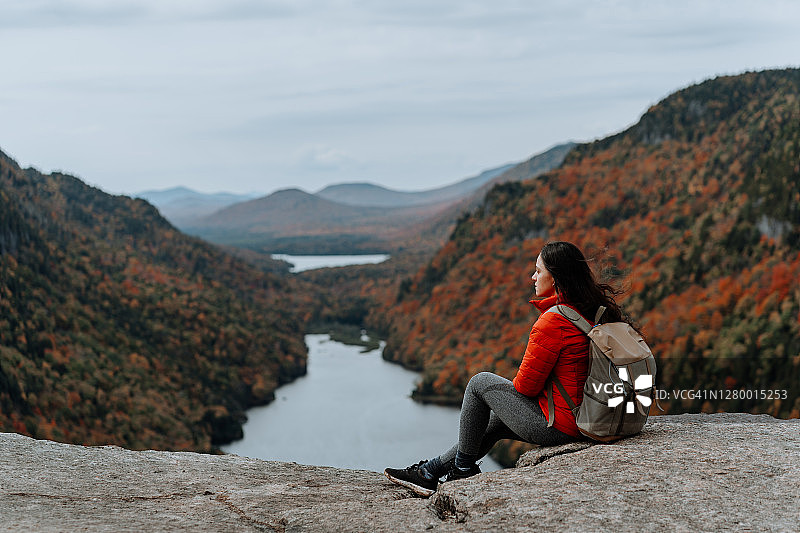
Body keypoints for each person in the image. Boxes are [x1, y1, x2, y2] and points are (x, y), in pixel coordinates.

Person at [384, 241, 628, 497]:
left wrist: (505, 392)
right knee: (494, 422)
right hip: (592, 415)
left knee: (480, 383)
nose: (533, 277)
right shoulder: (593, 311)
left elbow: (526, 387)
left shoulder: (554, 321)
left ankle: (463, 471)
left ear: (555, 279)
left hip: (565, 426)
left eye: (538, 271)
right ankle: (429, 473)